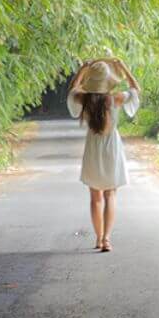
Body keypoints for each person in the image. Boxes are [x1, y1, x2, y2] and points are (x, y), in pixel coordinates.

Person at [66, 58, 140, 252]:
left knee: (95, 197)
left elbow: (73, 89)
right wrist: (123, 66)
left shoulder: (84, 99)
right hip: (111, 146)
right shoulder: (115, 98)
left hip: (93, 147)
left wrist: (83, 69)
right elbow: (135, 89)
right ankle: (107, 239)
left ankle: (98, 238)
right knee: (110, 194)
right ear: (108, 81)